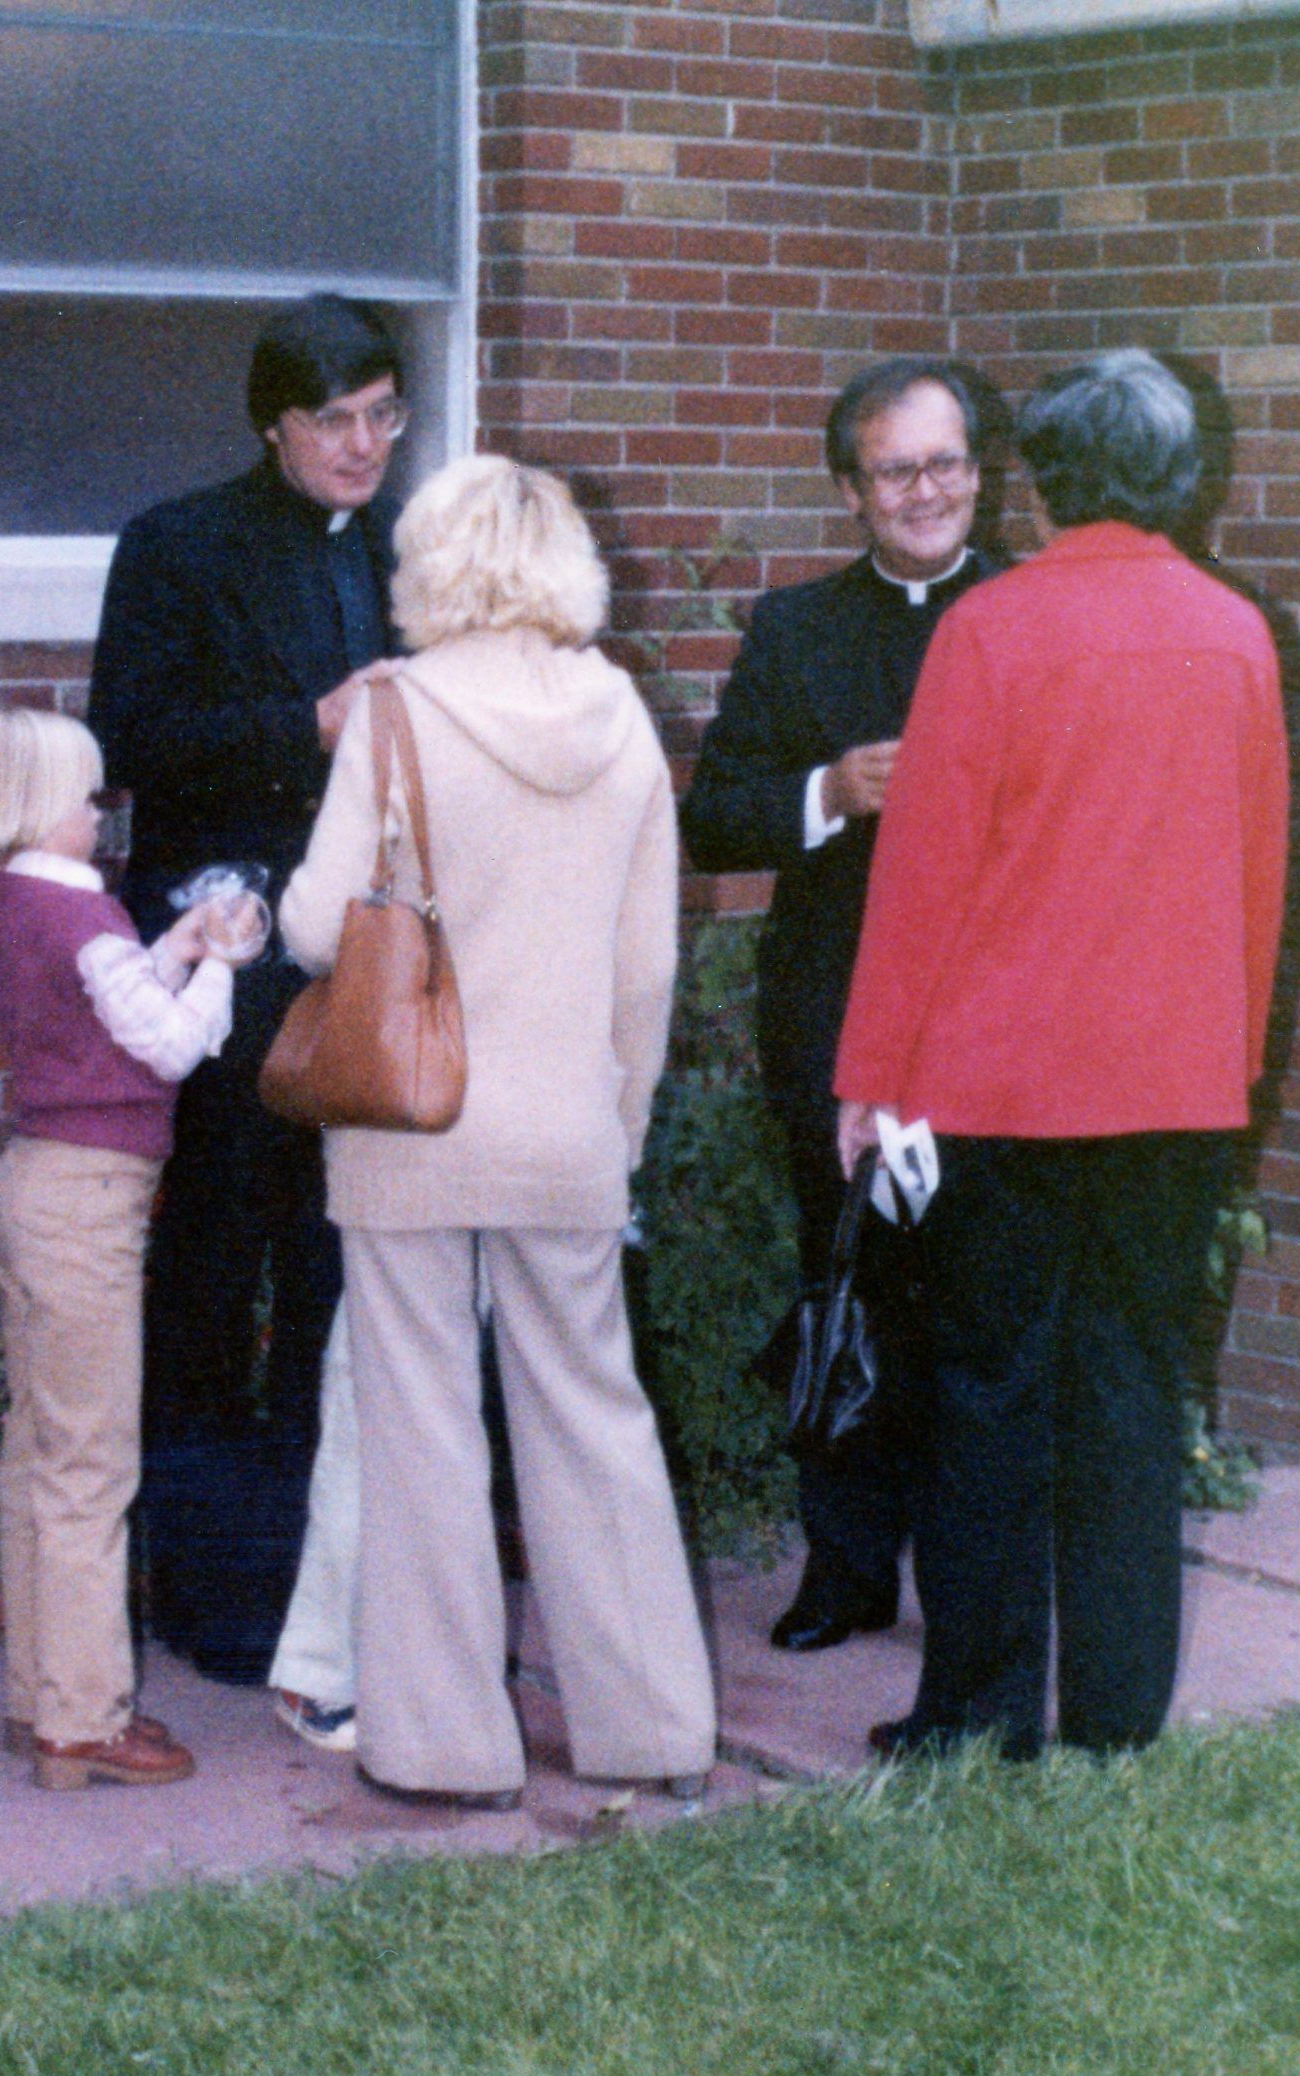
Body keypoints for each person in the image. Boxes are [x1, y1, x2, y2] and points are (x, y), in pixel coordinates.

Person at [834, 348, 1290, 1762]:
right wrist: (1234, 1063)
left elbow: (923, 880)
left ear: (1041, 481)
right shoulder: (1237, 635)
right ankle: (1114, 1714)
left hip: (1004, 1088)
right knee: (1133, 1389)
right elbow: (1260, 879)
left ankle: (978, 1715)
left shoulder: (991, 631)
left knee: (987, 1393)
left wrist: (870, 1077)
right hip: (1175, 1089)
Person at [279, 455, 717, 1805]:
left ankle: (444, 1747)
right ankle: (652, 1729)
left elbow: (315, 926)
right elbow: (649, 967)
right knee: (596, 1421)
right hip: (568, 1128)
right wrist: (619, 1123)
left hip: (410, 1128)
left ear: (432, 567)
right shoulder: (620, 716)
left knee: (420, 1431)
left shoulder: (394, 712)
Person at [680, 358, 1007, 1651]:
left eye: (945, 463)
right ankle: (848, 1569)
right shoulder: (797, 628)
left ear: (980, 471)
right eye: (894, 471)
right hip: (836, 1013)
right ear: (850, 491)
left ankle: (976, 1585)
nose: (924, 492)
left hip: (994, 1022)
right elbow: (712, 819)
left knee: (979, 1305)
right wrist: (829, 790)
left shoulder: (1028, 614)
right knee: (848, 1285)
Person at [88, 292, 409, 1451]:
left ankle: (325, 1533)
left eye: (382, 415)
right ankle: (208, 1545)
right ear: (273, 424)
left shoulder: (409, 551)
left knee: (346, 1250)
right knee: (215, 1248)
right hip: (224, 952)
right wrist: (305, 727)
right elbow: (123, 741)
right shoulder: (178, 543)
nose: (363, 445)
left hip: (366, 955)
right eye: (332, 420)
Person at [0, 703, 242, 1788]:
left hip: (29, 1182)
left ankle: (39, 1696)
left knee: (37, 1453)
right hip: (89, 1199)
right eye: (83, 795)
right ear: (31, 804)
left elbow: (100, 1008)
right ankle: (85, 1717)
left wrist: (172, 949)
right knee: (90, 1464)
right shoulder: (84, 913)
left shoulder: (14, 905)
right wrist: (221, 963)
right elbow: (169, 1047)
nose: (99, 813)